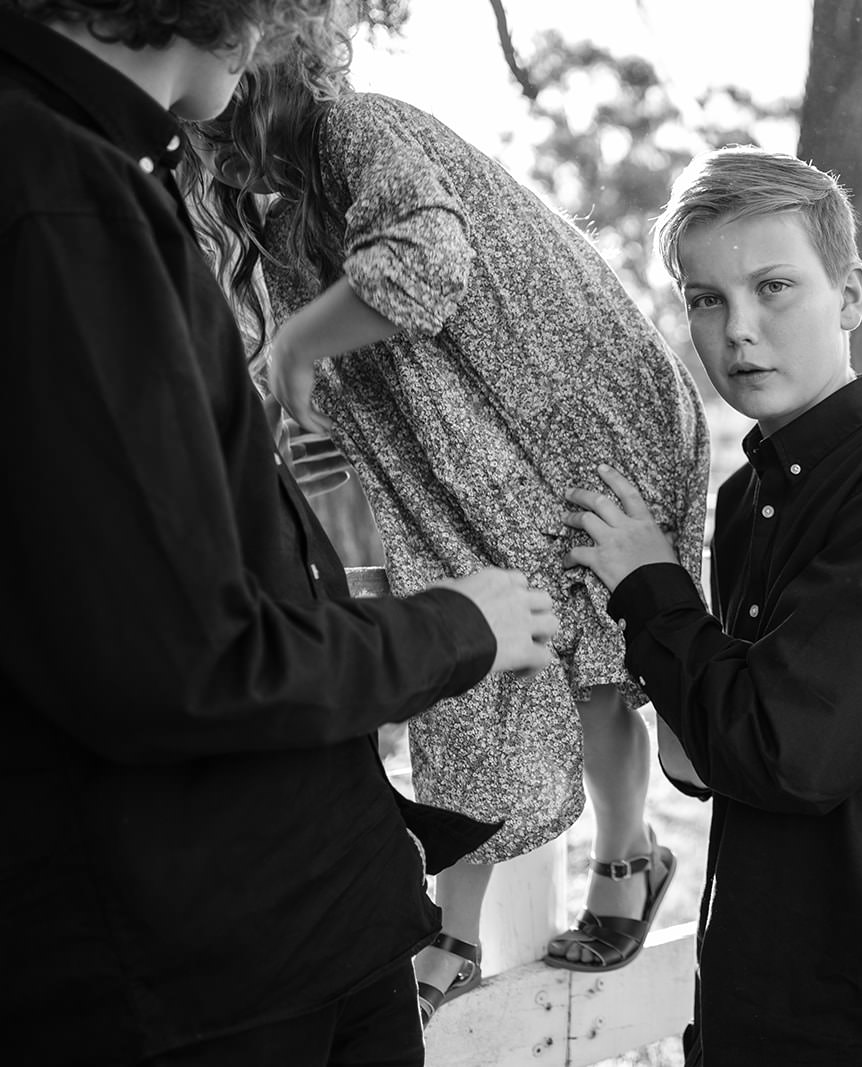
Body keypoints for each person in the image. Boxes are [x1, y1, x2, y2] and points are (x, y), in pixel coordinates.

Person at [0, 2, 560, 1064]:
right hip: (206, 971)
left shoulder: (95, 168)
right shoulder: (59, 192)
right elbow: (185, 659)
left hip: (290, 924)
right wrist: (458, 626)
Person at [182, 33, 711, 1020]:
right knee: (464, 674)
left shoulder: (357, 129)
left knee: (600, 660)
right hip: (453, 461)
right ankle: (451, 930)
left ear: (263, 60)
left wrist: (300, 341)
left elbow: (427, 259)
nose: (201, 140)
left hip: (576, 416)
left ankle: (627, 855)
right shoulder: (262, 211)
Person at [563, 145, 862, 1065]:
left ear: (851, 296)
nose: (739, 329)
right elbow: (714, 760)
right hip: (758, 978)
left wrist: (649, 588)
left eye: (774, 287)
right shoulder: (748, 500)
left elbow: (785, 748)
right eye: (706, 298)